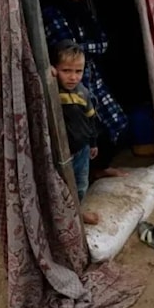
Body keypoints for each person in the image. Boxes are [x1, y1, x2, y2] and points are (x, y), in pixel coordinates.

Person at [42, 0, 128, 177]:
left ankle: (98, 169)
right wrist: (83, 49)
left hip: (90, 76)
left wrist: (81, 48)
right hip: (71, 81)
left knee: (111, 120)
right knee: (79, 131)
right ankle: (85, 180)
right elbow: (65, 47)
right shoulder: (52, 13)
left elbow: (103, 43)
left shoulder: (84, 12)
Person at [51, 40, 100, 226]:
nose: (73, 77)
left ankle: (77, 212)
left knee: (81, 184)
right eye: (66, 71)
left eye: (78, 71)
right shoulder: (52, 90)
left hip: (82, 149)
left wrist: (93, 143)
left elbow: (91, 119)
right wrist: (49, 74)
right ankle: (64, 218)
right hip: (62, 152)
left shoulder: (83, 93)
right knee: (61, 187)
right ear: (56, 69)